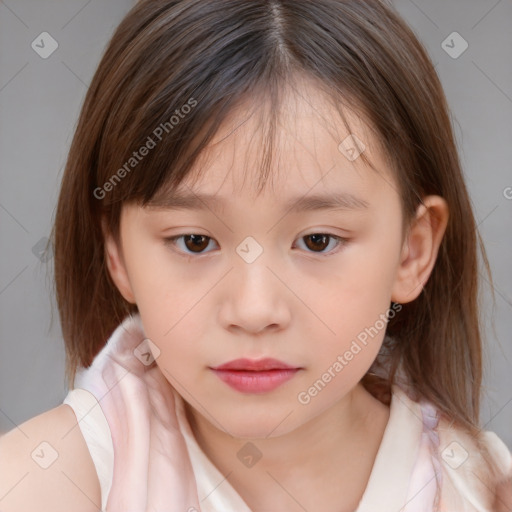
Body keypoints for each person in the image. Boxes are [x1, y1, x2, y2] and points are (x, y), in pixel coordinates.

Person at [1, 0, 511, 511]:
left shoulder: (478, 490)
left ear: (411, 253)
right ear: (117, 252)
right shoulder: (45, 483)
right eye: (195, 242)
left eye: (317, 241)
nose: (254, 310)